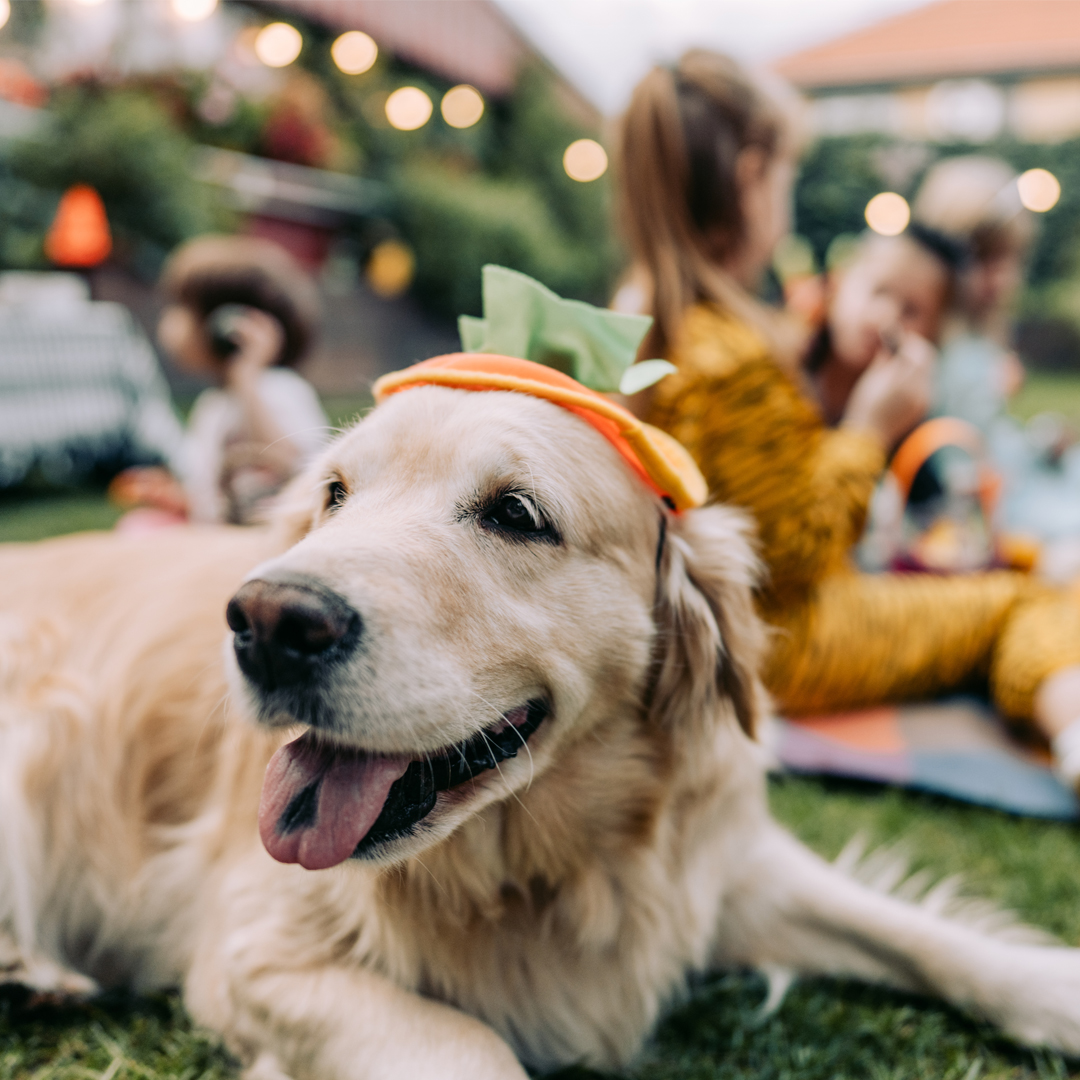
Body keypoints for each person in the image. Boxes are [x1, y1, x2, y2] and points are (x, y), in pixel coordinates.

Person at [615, 50, 1080, 785]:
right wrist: (869, 429)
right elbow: (791, 552)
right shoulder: (731, 356)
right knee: (1019, 604)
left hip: (719, 630)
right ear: (752, 180)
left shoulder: (643, 320)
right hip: (777, 641)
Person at [913, 156, 1080, 553]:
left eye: (1010, 259)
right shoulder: (930, 353)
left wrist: (1043, 438)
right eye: (984, 258)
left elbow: (992, 436)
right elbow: (957, 466)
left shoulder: (981, 340)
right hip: (992, 509)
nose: (1001, 277)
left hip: (1016, 480)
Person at [114, 235, 329, 526]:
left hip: (263, 530)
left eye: (181, 308)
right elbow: (208, 498)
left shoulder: (279, 388)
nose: (168, 323)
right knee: (139, 525)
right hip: (220, 529)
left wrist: (247, 378)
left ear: (226, 324)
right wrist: (173, 496)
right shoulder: (213, 404)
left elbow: (292, 466)